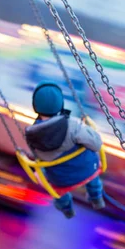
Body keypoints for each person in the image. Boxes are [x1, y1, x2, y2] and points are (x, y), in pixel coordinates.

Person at [25, 81, 104, 219]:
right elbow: (96, 144)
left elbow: (39, 157)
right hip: (87, 170)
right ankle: (96, 197)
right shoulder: (72, 125)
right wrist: (88, 129)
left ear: (35, 106)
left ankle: (67, 209)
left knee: (50, 182)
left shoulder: (31, 135)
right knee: (91, 170)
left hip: (60, 180)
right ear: (60, 104)